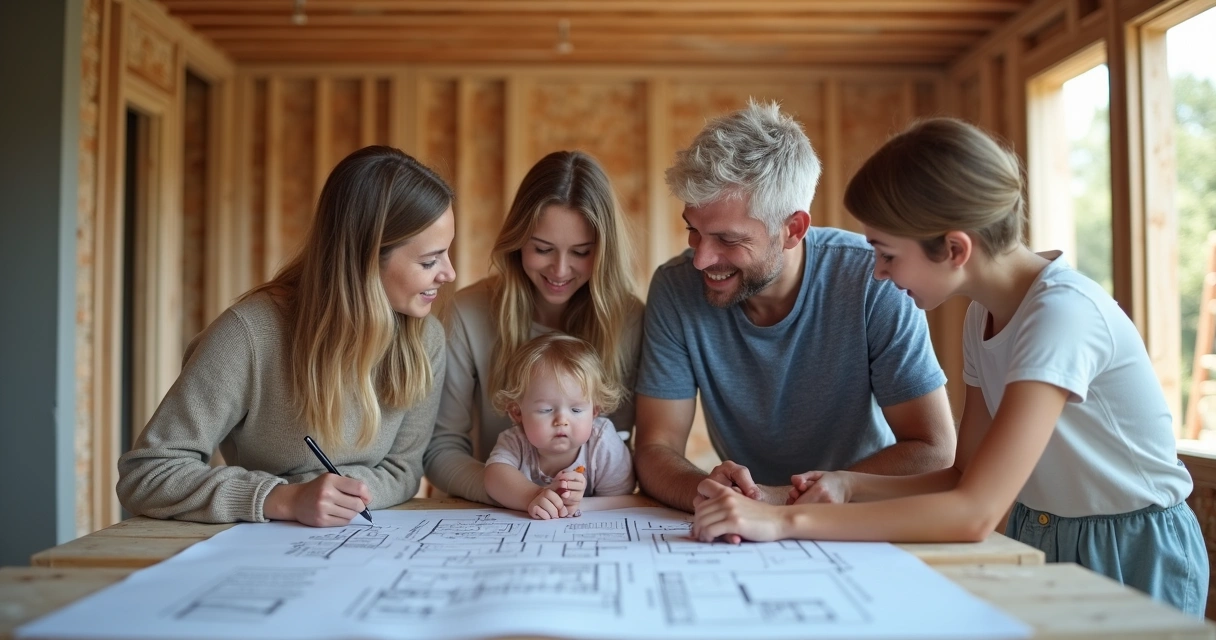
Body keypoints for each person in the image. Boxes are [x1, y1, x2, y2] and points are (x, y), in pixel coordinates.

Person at [691, 117, 1208, 616]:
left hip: (1131, 544)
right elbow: (962, 474)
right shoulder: (983, 315)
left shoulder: (1060, 316)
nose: (878, 272)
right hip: (1044, 530)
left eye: (887, 254)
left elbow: (975, 512)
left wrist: (784, 522)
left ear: (955, 248)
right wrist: (850, 484)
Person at [634, 100, 956, 517]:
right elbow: (655, 448)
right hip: (746, 519)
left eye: (728, 240)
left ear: (793, 229)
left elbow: (934, 449)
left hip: (859, 514)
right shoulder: (675, 287)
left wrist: (777, 499)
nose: (701, 259)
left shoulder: (873, 279)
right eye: (693, 231)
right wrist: (710, 493)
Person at [117, 146, 457, 527]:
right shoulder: (247, 335)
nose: (450, 273)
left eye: (446, 254)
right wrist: (284, 498)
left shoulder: (425, 339)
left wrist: (332, 494)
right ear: (364, 259)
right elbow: (147, 473)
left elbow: (403, 470)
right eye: (429, 261)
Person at [424, 150, 644, 504]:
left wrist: (559, 499)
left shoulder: (629, 319)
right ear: (518, 242)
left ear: (604, 251)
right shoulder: (467, 313)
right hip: (487, 511)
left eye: (581, 252)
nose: (560, 270)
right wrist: (521, 495)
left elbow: (617, 448)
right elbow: (441, 449)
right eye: (542, 249)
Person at [485, 334, 636, 519]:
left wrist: (578, 504)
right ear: (517, 413)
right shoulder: (515, 441)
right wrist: (533, 496)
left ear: (594, 411)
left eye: (576, 410)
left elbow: (626, 500)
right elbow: (493, 478)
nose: (562, 420)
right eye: (546, 410)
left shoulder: (603, 442)